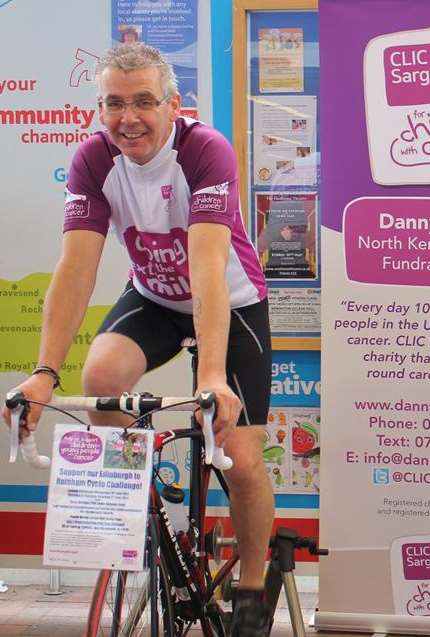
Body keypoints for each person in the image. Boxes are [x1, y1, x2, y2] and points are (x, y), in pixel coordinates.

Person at [1, 44, 274, 637]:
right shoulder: (93, 161)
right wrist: (45, 371)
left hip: (229, 299)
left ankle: (253, 585)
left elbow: (206, 271)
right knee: (99, 380)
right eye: (115, 104)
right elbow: (75, 270)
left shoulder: (204, 150)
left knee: (245, 459)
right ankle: (154, 510)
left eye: (145, 102)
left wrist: (210, 377)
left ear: (174, 105)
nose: (129, 118)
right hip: (152, 296)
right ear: (100, 109)